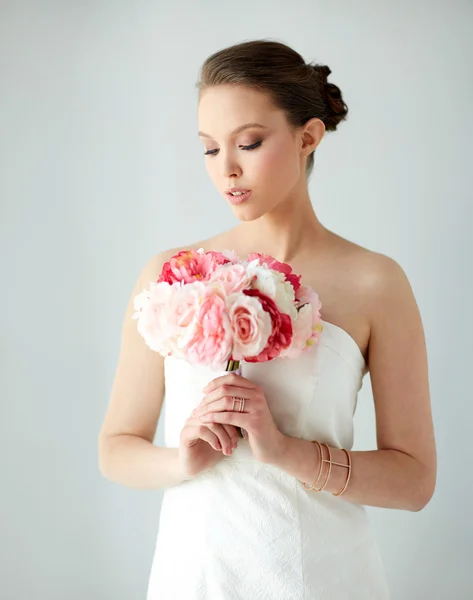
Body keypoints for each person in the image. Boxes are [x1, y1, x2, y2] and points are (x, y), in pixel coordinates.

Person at [98, 39, 437, 599]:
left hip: (325, 579)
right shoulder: (170, 275)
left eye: (249, 143)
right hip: (193, 578)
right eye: (209, 149)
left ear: (308, 136)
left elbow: (415, 481)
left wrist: (286, 452)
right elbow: (116, 447)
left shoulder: (375, 282)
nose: (226, 170)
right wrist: (183, 459)